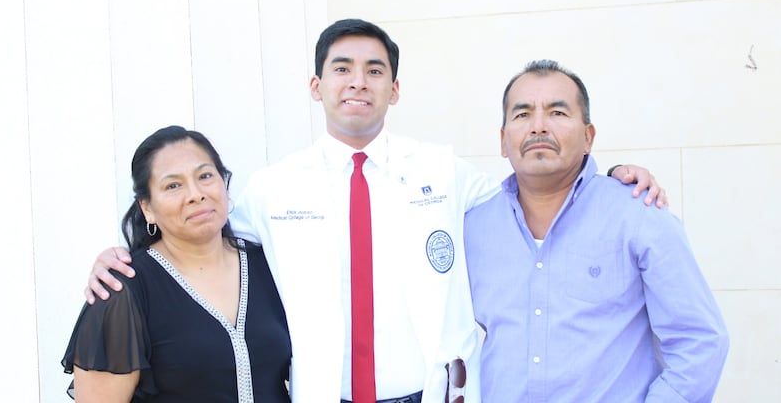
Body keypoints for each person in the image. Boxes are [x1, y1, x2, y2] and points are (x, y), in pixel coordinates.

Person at [82, 20, 666, 402]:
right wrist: (122, 255)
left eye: (374, 70)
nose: (357, 82)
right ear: (316, 87)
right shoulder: (270, 189)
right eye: (341, 69)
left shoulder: (445, 172)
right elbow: (195, 233)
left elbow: (537, 189)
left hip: (431, 393)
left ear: (394, 88)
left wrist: (610, 174)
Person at [464, 60, 729, 402]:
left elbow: (701, 340)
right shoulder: (472, 228)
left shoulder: (638, 216)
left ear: (588, 137)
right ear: (503, 141)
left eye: (557, 113)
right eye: (522, 114)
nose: (538, 126)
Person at [62, 126, 290, 402]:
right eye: (173, 185)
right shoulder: (124, 290)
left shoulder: (271, 265)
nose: (195, 194)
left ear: (225, 184)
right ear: (147, 207)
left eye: (205, 176)